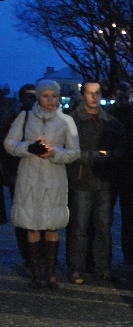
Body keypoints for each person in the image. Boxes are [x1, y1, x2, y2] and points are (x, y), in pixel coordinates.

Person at [4, 79, 80, 288]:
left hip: (54, 178)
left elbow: (74, 151)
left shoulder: (66, 121)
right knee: (32, 226)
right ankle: (36, 273)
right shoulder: (25, 117)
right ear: (38, 97)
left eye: (53, 96)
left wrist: (55, 152)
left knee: (52, 226)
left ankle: (51, 273)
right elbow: (9, 143)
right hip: (29, 176)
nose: (50, 100)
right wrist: (28, 148)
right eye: (45, 96)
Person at [66, 80, 126, 284]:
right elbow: (66, 150)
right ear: (82, 95)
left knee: (103, 226)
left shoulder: (111, 122)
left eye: (97, 93)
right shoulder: (71, 121)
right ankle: (77, 267)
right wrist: (88, 156)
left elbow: (122, 148)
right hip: (81, 180)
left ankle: (102, 267)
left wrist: (111, 156)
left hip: (104, 181)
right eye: (90, 93)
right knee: (79, 226)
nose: (94, 97)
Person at [0, 83, 37, 267]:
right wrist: (9, 174)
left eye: (34, 96)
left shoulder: (42, 119)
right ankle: (28, 255)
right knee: (22, 218)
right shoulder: (13, 120)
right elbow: (5, 149)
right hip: (18, 175)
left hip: (39, 176)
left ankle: (40, 254)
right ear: (22, 98)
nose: (32, 99)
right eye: (29, 96)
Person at [108, 82, 133, 267]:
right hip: (118, 170)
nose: (123, 100)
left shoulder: (130, 116)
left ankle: (129, 256)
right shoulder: (130, 115)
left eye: (126, 97)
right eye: (121, 97)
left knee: (128, 218)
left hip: (126, 171)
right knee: (119, 218)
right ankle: (126, 256)